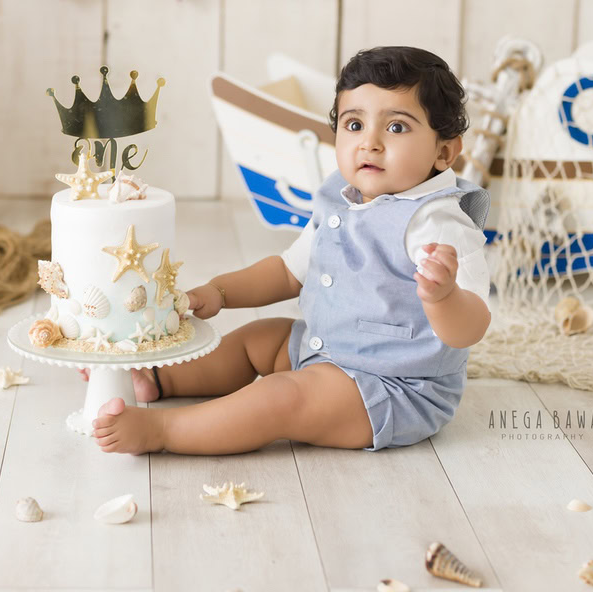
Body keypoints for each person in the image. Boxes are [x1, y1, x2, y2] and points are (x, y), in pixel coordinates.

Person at [87, 46, 491, 455]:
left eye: (397, 128)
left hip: (393, 390)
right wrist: (219, 292)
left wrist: (443, 298)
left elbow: (470, 328)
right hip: (325, 352)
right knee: (260, 339)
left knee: (282, 396)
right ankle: (161, 379)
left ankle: (165, 432)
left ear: (443, 152)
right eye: (354, 124)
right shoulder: (342, 196)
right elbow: (287, 272)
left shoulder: (439, 223)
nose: (369, 143)